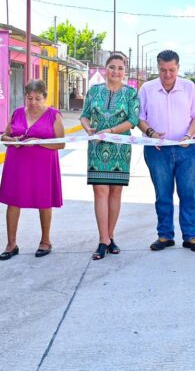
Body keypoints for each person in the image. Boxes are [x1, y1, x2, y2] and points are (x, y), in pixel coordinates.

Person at [138, 50, 195, 252]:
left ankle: (191, 236)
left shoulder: (188, 87)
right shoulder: (147, 89)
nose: (167, 74)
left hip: (187, 149)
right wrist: (150, 133)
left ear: (178, 67)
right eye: (163, 70)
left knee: (189, 194)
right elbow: (140, 118)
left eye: (172, 70)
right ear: (157, 68)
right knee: (163, 195)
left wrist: (189, 136)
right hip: (157, 150)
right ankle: (165, 235)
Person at [80, 54, 139, 260]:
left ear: (125, 71)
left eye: (120, 68)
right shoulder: (94, 91)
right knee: (100, 191)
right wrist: (89, 129)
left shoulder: (132, 93)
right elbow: (84, 115)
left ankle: (110, 236)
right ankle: (103, 239)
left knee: (115, 193)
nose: (116, 71)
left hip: (120, 149)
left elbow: (133, 119)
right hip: (97, 147)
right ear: (105, 69)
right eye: (112, 67)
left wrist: (112, 131)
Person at [0, 80, 65, 260]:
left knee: (44, 202)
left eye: (38, 98)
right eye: (29, 98)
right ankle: (11, 244)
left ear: (45, 98)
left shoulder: (53, 115)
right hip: (17, 163)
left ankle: (45, 241)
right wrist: (12, 141)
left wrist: (38, 142)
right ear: (25, 97)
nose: (33, 102)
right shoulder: (17, 113)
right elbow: (4, 137)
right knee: (13, 201)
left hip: (43, 165)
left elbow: (61, 143)